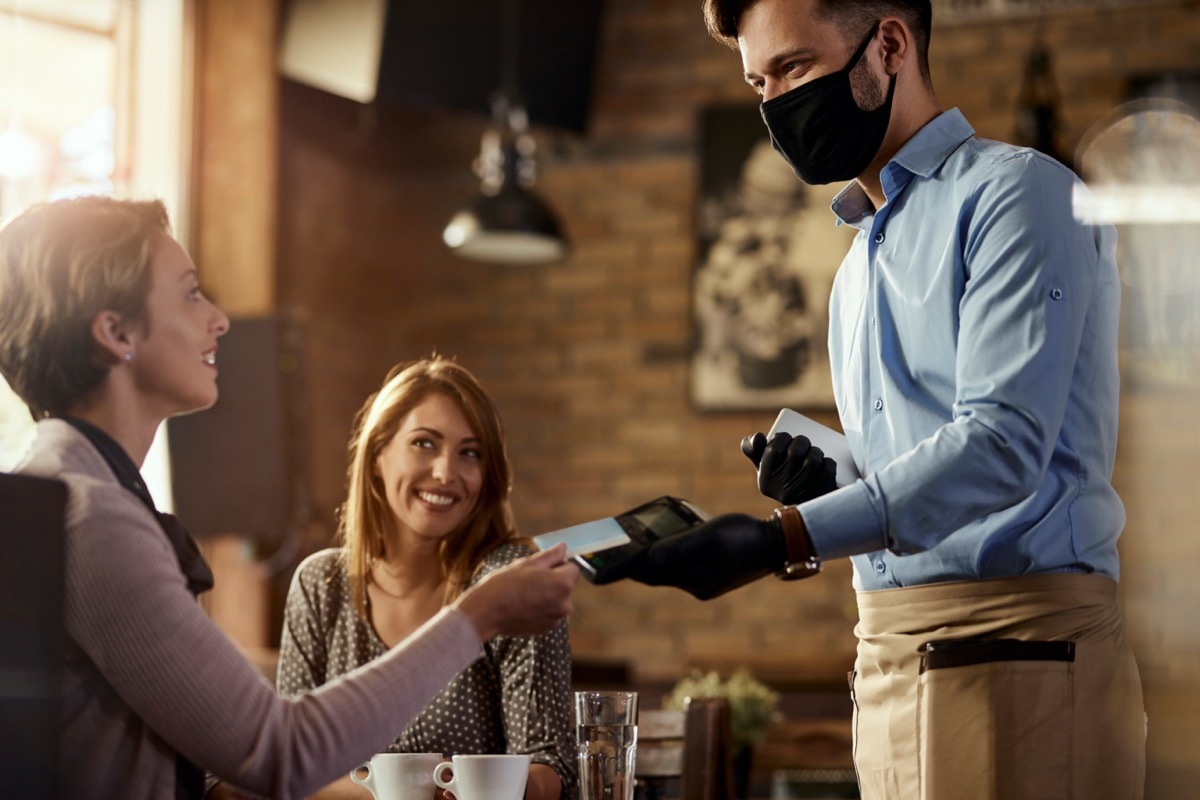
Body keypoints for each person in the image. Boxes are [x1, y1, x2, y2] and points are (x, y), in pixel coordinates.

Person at [626, 2, 1146, 798]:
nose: (776, 108)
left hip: (1021, 650)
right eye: (759, 83)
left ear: (890, 45)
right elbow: (917, 476)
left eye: (795, 69)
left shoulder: (1020, 195)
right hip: (888, 655)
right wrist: (831, 480)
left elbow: (1001, 445)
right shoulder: (854, 268)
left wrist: (784, 538)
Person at [0, 195, 580, 800]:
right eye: (190, 293)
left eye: (470, 452)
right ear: (115, 332)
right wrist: (477, 616)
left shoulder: (73, 497)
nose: (219, 320)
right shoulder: (94, 521)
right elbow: (279, 752)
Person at [276, 357, 575, 800]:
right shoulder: (320, 584)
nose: (445, 472)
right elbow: (285, 765)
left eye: (470, 453)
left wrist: (482, 792)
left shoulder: (508, 580)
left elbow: (551, 765)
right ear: (378, 455)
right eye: (424, 444)